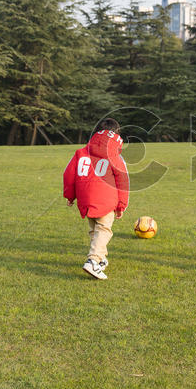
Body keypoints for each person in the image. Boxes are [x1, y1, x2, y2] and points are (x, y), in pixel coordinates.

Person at [63, 118, 129, 280]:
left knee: (95, 229)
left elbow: (69, 175)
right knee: (104, 229)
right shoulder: (115, 155)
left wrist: (71, 196)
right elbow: (123, 181)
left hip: (85, 198)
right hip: (105, 198)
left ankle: (101, 258)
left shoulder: (81, 152)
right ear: (116, 135)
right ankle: (93, 261)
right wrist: (121, 205)